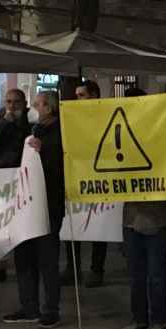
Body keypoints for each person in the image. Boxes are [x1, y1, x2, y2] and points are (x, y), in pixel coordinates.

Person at [5, 91, 65, 328]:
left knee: (47, 258)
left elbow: (62, 167)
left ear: (49, 108)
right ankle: (28, 306)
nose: (34, 108)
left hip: (49, 204)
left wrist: (45, 151)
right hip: (26, 202)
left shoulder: (61, 134)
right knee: (24, 256)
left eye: (38, 104)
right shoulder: (33, 130)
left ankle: (51, 309)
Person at [119, 88, 166, 329]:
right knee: (135, 275)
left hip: (157, 218)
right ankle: (139, 318)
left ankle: (158, 320)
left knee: (155, 275)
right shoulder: (120, 140)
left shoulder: (162, 139)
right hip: (131, 218)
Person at [64, 79, 107, 286]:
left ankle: (96, 269)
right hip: (77, 175)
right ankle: (73, 268)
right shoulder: (73, 117)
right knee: (74, 223)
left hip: (98, 178)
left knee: (99, 226)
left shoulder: (105, 116)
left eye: (81, 95)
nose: (77, 99)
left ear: (94, 95)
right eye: (76, 95)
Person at [0, 88, 31, 283]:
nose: (12, 106)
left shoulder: (30, 121)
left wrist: (18, 123)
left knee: (23, 223)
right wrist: (5, 123)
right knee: (0, 225)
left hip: (23, 176)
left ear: (23, 103)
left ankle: (26, 264)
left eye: (16, 102)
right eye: (8, 102)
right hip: (2, 175)